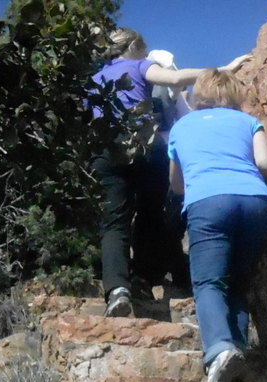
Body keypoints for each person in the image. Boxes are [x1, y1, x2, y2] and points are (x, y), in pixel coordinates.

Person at [90, 28, 249, 317]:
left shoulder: (95, 79)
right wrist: (222, 70)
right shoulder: (139, 65)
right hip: (144, 146)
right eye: (143, 48)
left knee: (114, 223)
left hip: (106, 151)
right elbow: (175, 79)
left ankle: (117, 289)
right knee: (150, 215)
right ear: (134, 46)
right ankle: (141, 280)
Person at [167, 68, 267, 382]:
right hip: (256, 201)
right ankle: (237, 354)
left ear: (199, 95)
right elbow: (265, 163)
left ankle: (219, 350)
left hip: (209, 202)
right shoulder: (248, 121)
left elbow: (177, 185)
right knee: (239, 283)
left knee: (209, 283)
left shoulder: (182, 126)